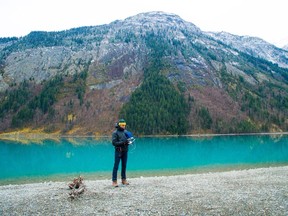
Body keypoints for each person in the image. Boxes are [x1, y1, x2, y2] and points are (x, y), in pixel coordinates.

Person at [112, 119, 130, 187]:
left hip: (125, 151)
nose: (124, 126)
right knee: (116, 166)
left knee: (124, 166)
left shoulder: (126, 132)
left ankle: (123, 180)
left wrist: (128, 142)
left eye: (124, 125)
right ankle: (114, 181)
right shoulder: (115, 133)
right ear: (119, 125)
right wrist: (123, 142)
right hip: (118, 151)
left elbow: (127, 140)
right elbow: (114, 143)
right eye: (122, 125)